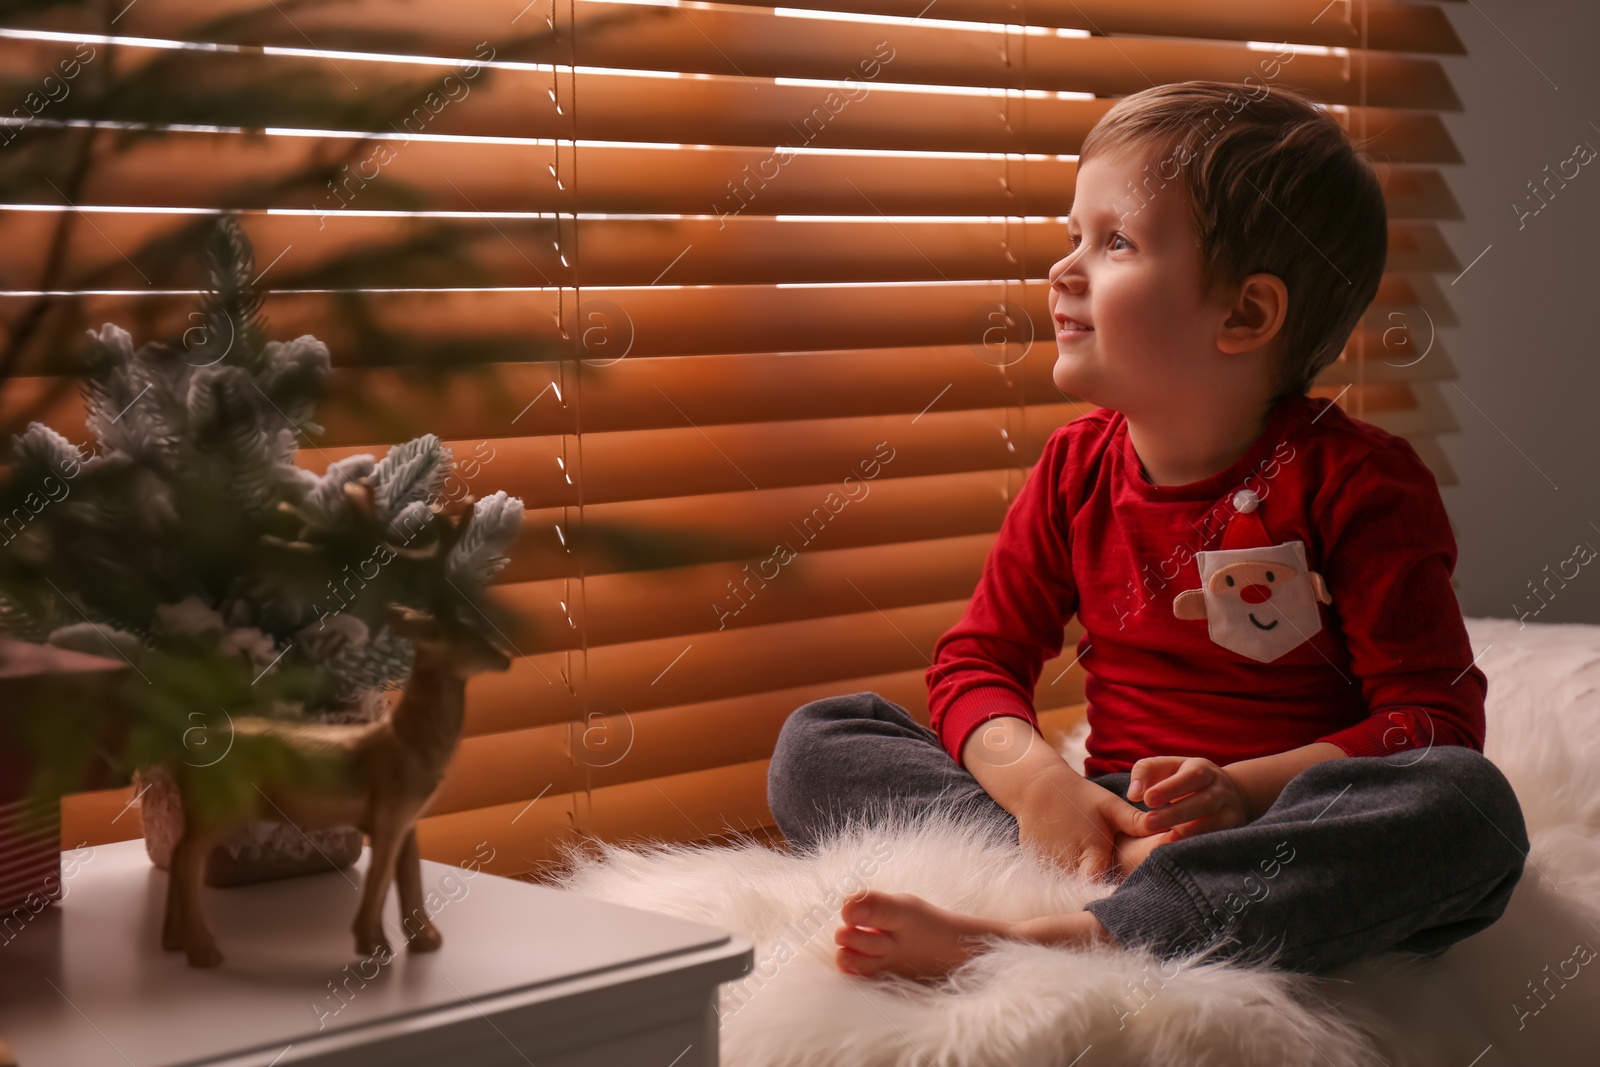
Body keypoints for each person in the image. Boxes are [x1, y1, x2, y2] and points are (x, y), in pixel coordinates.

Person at [765, 80, 1529, 983]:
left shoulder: (1359, 482)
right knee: (820, 737)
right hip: (1105, 804)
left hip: (1275, 822)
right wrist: (1046, 790)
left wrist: (1242, 790)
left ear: (1245, 315)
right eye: (1072, 236)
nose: (1064, 270)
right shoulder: (1074, 469)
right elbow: (976, 663)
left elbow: (1430, 720)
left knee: (1468, 808)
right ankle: (1115, 863)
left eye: (1115, 241)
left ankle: (1093, 931)